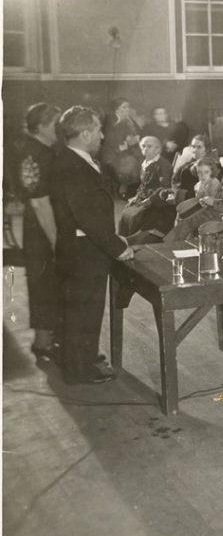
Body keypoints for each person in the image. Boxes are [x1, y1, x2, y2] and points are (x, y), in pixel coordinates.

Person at [51, 106, 134, 384]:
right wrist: (118, 247)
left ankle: (81, 357)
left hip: (81, 248)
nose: (101, 135)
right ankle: (79, 370)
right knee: (84, 310)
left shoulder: (72, 159)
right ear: (85, 133)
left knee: (80, 310)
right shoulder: (73, 164)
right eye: (98, 129)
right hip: (84, 253)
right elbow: (87, 217)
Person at [9, 103, 62, 361]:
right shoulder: (43, 154)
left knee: (40, 282)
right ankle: (43, 342)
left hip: (32, 227)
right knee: (46, 282)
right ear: (41, 126)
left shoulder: (26, 149)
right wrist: (56, 240)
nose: (59, 130)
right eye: (55, 125)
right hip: (43, 227)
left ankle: (46, 339)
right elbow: (41, 203)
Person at [99, 98, 141, 194]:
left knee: (137, 158)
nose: (127, 109)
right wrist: (127, 143)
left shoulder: (129, 121)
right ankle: (123, 188)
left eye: (128, 107)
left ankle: (128, 187)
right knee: (129, 161)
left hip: (124, 150)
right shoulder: (109, 120)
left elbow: (138, 133)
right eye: (124, 107)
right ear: (116, 109)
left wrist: (134, 138)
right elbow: (109, 140)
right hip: (110, 151)